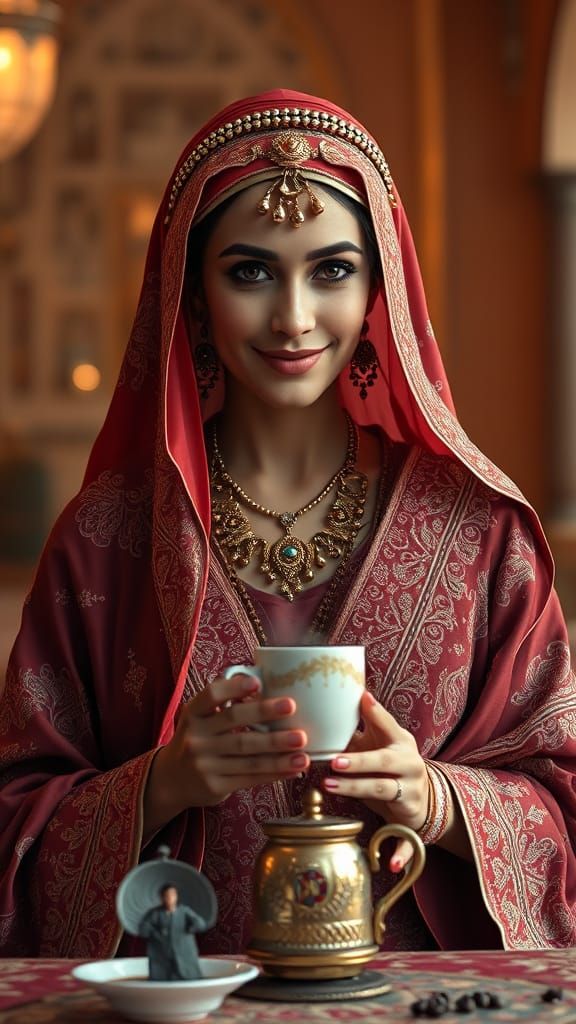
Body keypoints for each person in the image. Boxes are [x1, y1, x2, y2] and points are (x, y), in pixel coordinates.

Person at [0, 88, 575, 958]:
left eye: (332, 270)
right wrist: (161, 785)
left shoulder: (478, 532)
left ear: (378, 289)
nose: (295, 317)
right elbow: (14, 822)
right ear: (189, 292)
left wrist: (438, 801)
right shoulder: (104, 542)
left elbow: (562, 803)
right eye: (251, 271)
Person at [139, 884, 206, 980]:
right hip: (162, 953)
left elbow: (200, 923)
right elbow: (144, 929)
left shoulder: (183, 911)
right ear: (162, 898)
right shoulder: (156, 913)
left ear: (176, 896)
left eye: (172, 895)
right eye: (166, 895)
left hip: (183, 950)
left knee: (188, 975)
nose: (170, 898)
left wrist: (190, 928)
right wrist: (156, 934)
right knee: (163, 977)